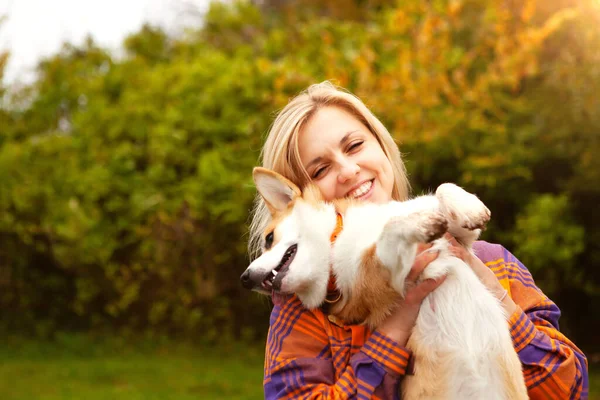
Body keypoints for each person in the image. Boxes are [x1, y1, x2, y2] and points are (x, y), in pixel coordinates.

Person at [248, 81, 589, 399]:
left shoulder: (493, 260)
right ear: (298, 205)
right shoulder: (305, 307)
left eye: (354, 146)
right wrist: (395, 327)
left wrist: (491, 288)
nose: (349, 170)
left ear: (382, 146)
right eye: (319, 170)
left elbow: (570, 388)